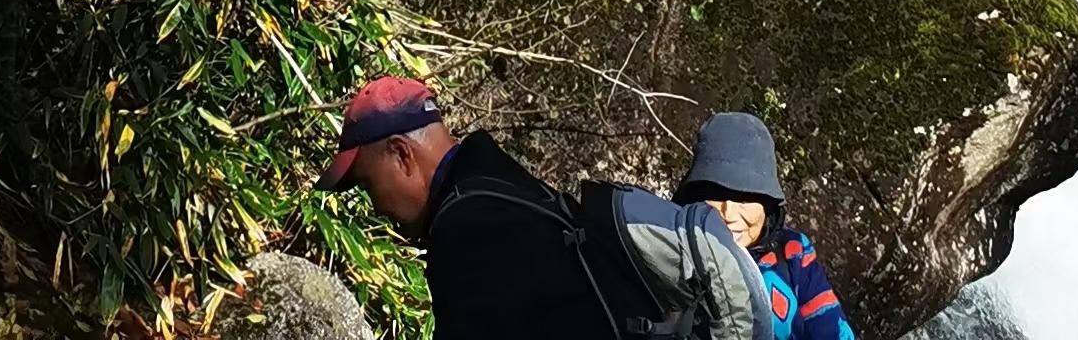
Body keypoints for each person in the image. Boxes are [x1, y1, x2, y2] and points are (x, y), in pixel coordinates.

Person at [320, 74, 773, 340]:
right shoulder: (501, 187)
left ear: (401, 155)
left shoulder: (465, 227)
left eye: (367, 185)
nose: (376, 206)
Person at [677, 115, 855, 340]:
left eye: (744, 198)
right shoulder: (669, 250)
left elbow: (832, 330)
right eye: (715, 195)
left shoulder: (793, 253)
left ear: (768, 205)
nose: (728, 214)